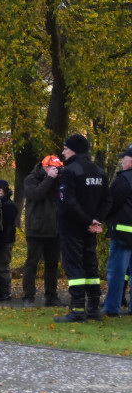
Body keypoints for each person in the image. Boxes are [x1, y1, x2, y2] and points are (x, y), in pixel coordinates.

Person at [55, 133, 111, 322]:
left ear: (73, 149)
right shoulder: (99, 171)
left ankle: (78, 310)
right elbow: (107, 199)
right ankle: (94, 308)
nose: (62, 152)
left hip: (73, 226)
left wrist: (88, 221)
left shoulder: (70, 171)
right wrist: (97, 220)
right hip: (91, 227)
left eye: (65, 148)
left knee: (74, 265)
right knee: (90, 264)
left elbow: (68, 202)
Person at [22, 156, 63, 306]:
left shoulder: (58, 179)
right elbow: (36, 195)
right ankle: (28, 296)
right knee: (31, 263)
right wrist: (49, 179)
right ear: (44, 166)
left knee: (52, 264)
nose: (55, 170)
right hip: (36, 228)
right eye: (52, 167)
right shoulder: (31, 179)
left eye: (57, 167)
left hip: (55, 229)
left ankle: (51, 296)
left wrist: (55, 179)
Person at [103, 147, 132, 316]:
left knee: (116, 271)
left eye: (124, 158)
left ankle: (111, 307)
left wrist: (101, 218)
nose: (121, 161)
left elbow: (111, 203)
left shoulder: (124, 179)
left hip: (123, 234)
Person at [0, 180, 18, 301]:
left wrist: (2, 239)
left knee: (2, 265)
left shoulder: (8, 205)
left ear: (1, 190)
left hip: (4, 240)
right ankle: (0, 289)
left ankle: (5, 290)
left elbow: (8, 225)